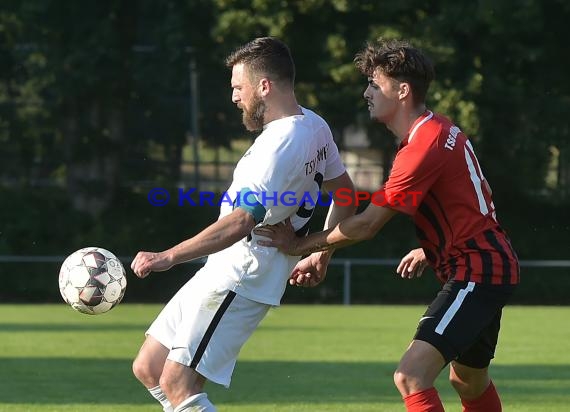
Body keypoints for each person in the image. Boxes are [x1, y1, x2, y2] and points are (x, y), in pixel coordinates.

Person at [255, 38, 519, 412]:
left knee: (410, 376)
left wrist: (301, 246)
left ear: (402, 90)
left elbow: (366, 225)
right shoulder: (440, 130)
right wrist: (432, 247)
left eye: (374, 84)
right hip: (486, 262)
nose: (367, 92)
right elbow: (478, 197)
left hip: (478, 270)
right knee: (468, 380)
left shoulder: (422, 145)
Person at [130, 36, 356, 412]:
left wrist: (168, 256)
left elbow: (241, 221)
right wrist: (321, 253)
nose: (234, 97)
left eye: (238, 87)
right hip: (225, 266)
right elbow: (346, 194)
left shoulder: (278, 146)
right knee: (150, 367)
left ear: (263, 86)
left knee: (177, 381)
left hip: (244, 273)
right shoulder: (314, 125)